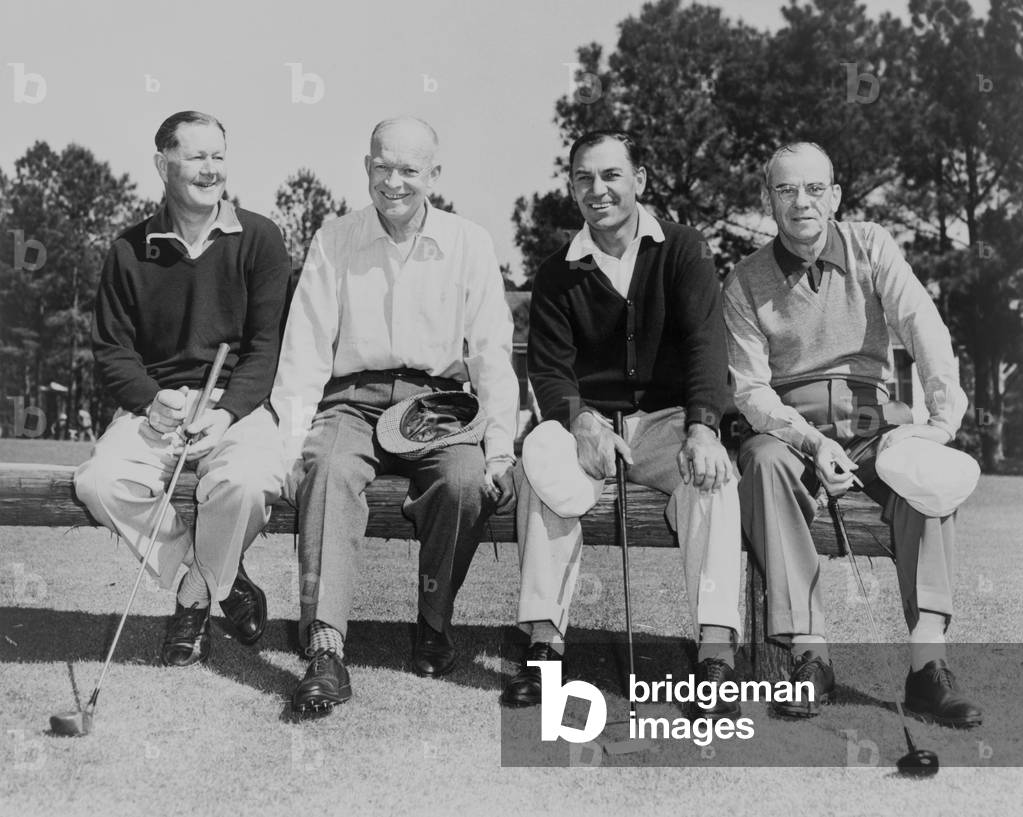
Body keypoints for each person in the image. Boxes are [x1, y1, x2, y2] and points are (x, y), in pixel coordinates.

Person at [723, 141, 982, 726]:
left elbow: (923, 325)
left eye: (814, 188)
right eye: (786, 190)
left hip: (876, 421)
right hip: (793, 430)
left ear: (835, 196)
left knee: (927, 477)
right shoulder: (743, 281)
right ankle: (812, 657)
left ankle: (926, 668)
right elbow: (752, 392)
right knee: (761, 463)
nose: (801, 201)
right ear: (769, 200)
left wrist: (941, 422)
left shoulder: (871, 243)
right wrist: (813, 444)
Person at [272, 117, 519, 716]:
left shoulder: (470, 243)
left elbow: (491, 354)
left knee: (463, 483)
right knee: (328, 469)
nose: (394, 181)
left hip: (435, 407)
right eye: (382, 166)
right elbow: (305, 350)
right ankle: (326, 648)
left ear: (434, 174)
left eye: (409, 169)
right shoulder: (334, 239)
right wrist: (286, 446)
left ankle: (432, 626)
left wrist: (501, 447)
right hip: (349, 401)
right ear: (366, 167)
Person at [500, 130, 743, 719]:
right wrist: (581, 421)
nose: (597, 189)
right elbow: (551, 372)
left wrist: (704, 427)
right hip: (592, 427)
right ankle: (544, 644)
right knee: (541, 470)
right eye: (583, 178)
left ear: (640, 181)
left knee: (713, 477)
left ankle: (715, 653)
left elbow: (706, 349)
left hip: (668, 423)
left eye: (610, 175)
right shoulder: (558, 271)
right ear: (573, 189)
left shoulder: (684, 249)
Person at [74, 111, 291, 667]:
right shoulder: (128, 250)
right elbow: (112, 352)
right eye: (196, 156)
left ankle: (194, 598)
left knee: (244, 484)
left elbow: (267, 348)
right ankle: (219, 577)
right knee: (99, 482)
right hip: (158, 409)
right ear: (161, 164)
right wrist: (151, 398)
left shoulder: (262, 239)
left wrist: (228, 412)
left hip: (235, 408)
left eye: (218, 156)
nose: (210, 169)